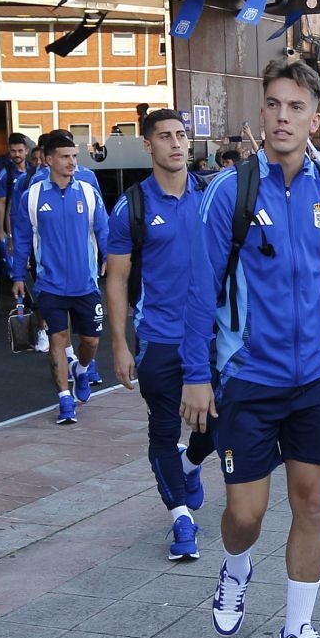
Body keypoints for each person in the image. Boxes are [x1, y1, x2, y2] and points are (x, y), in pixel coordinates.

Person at [181, 56, 320, 638]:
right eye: (273, 103)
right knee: (244, 514)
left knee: (313, 502)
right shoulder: (231, 191)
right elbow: (199, 291)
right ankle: (237, 567)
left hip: (315, 381)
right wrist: (196, 375)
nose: (282, 115)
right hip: (247, 378)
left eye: (295, 106)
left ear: (314, 119)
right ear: (261, 111)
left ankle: (297, 629)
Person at [104, 110, 207, 560]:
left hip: (210, 337)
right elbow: (117, 279)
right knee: (163, 431)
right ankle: (181, 518)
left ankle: (191, 463)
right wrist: (121, 345)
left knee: (222, 426)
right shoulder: (133, 207)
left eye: (181, 135)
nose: (176, 143)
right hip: (160, 340)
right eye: (165, 136)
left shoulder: (211, 195)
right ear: (149, 145)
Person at [9, 131, 108, 425]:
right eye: (65, 157)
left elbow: (104, 232)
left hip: (86, 284)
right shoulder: (33, 196)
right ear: (48, 160)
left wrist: (110, 261)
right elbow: (23, 240)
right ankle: (65, 401)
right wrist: (16, 275)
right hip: (49, 285)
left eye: (74, 157)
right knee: (57, 340)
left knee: (90, 341)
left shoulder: (89, 193)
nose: (72, 163)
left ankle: (82, 369)